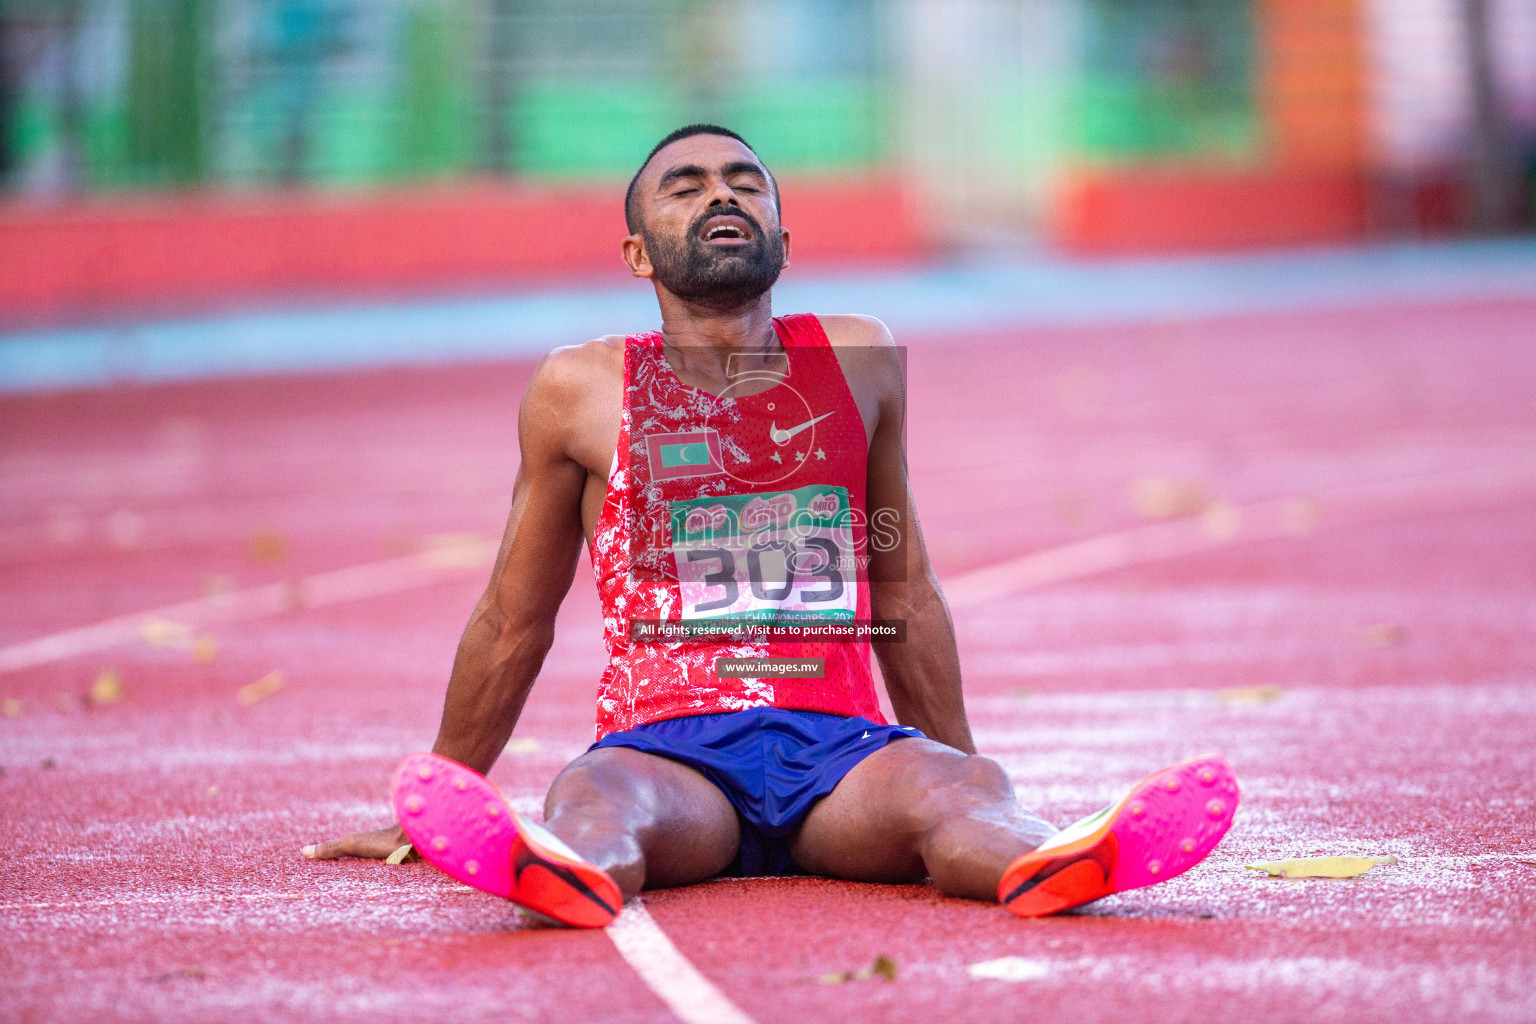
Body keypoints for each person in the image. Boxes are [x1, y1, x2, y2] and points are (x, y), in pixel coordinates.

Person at [301, 125, 1239, 926]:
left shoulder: (860, 360)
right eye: (688, 185)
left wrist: (957, 759)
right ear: (638, 252)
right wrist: (444, 792)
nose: (723, 194)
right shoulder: (577, 389)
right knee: (595, 799)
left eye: (746, 184)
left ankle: (1046, 859)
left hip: (840, 759)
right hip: (668, 754)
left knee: (962, 796)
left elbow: (901, 586)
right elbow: (516, 616)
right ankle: (568, 871)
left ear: (781, 242)